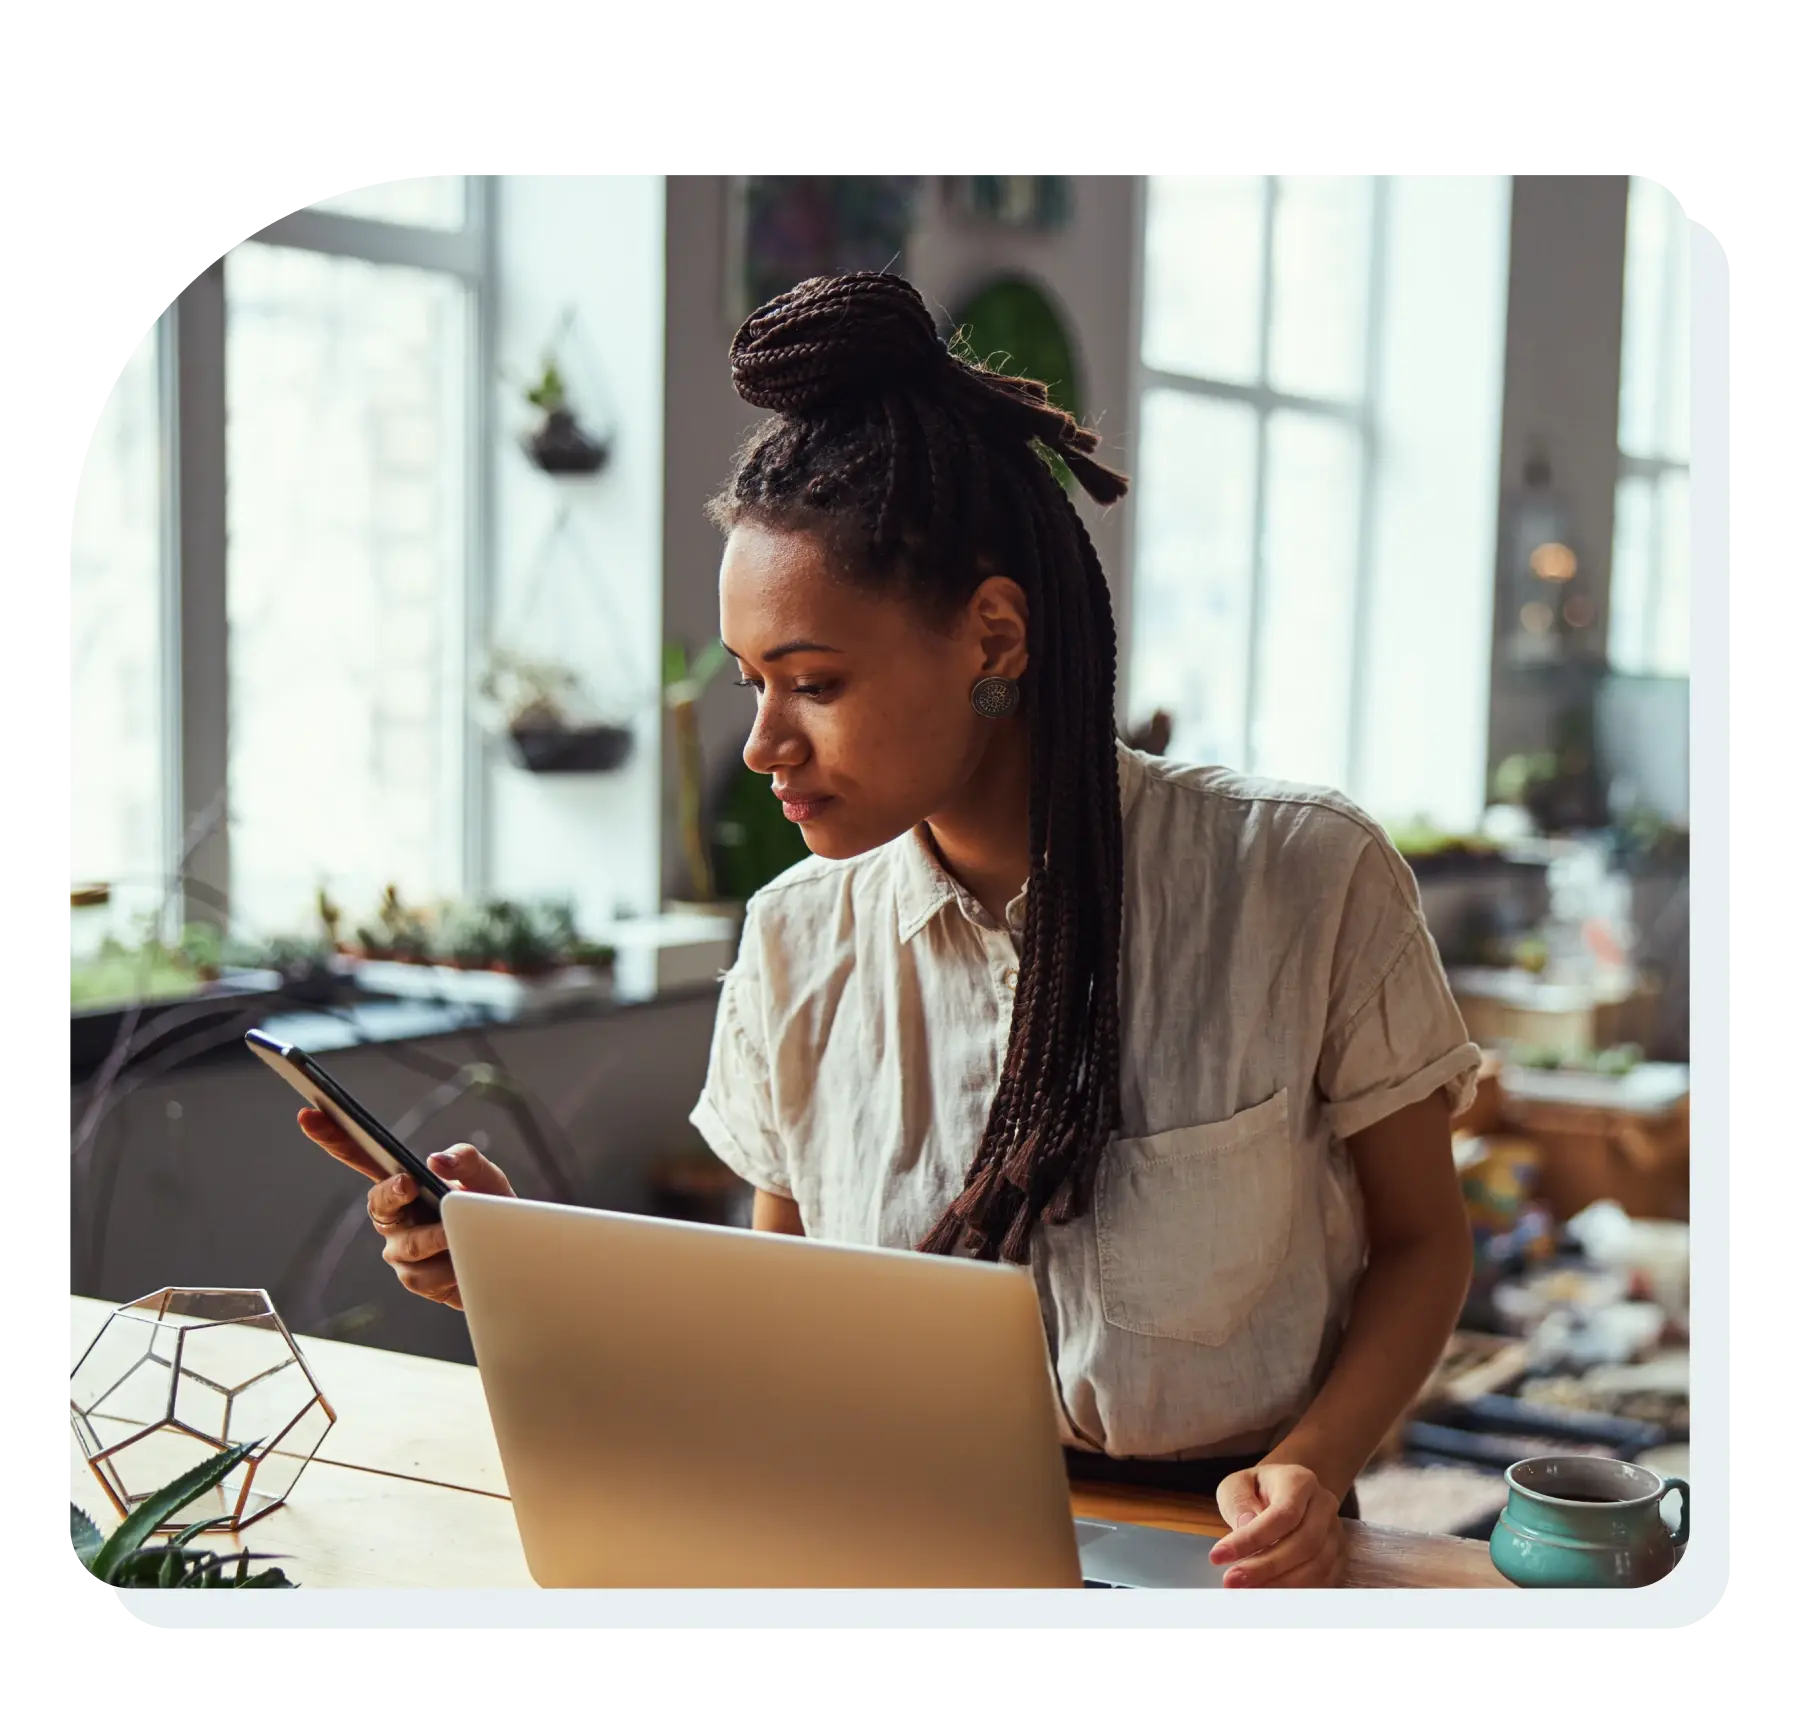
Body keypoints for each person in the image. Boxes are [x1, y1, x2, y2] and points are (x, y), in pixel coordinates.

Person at [300, 271, 1479, 1589]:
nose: (762, 745)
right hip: (901, 1539)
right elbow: (779, 1331)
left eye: (814, 683)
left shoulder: (1302, 876)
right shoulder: (798, 939)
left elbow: (1425, 1243)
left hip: (1228, 1552)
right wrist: (516, 1274)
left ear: (992, 634)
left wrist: (1314, 1470)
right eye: (753, 685)